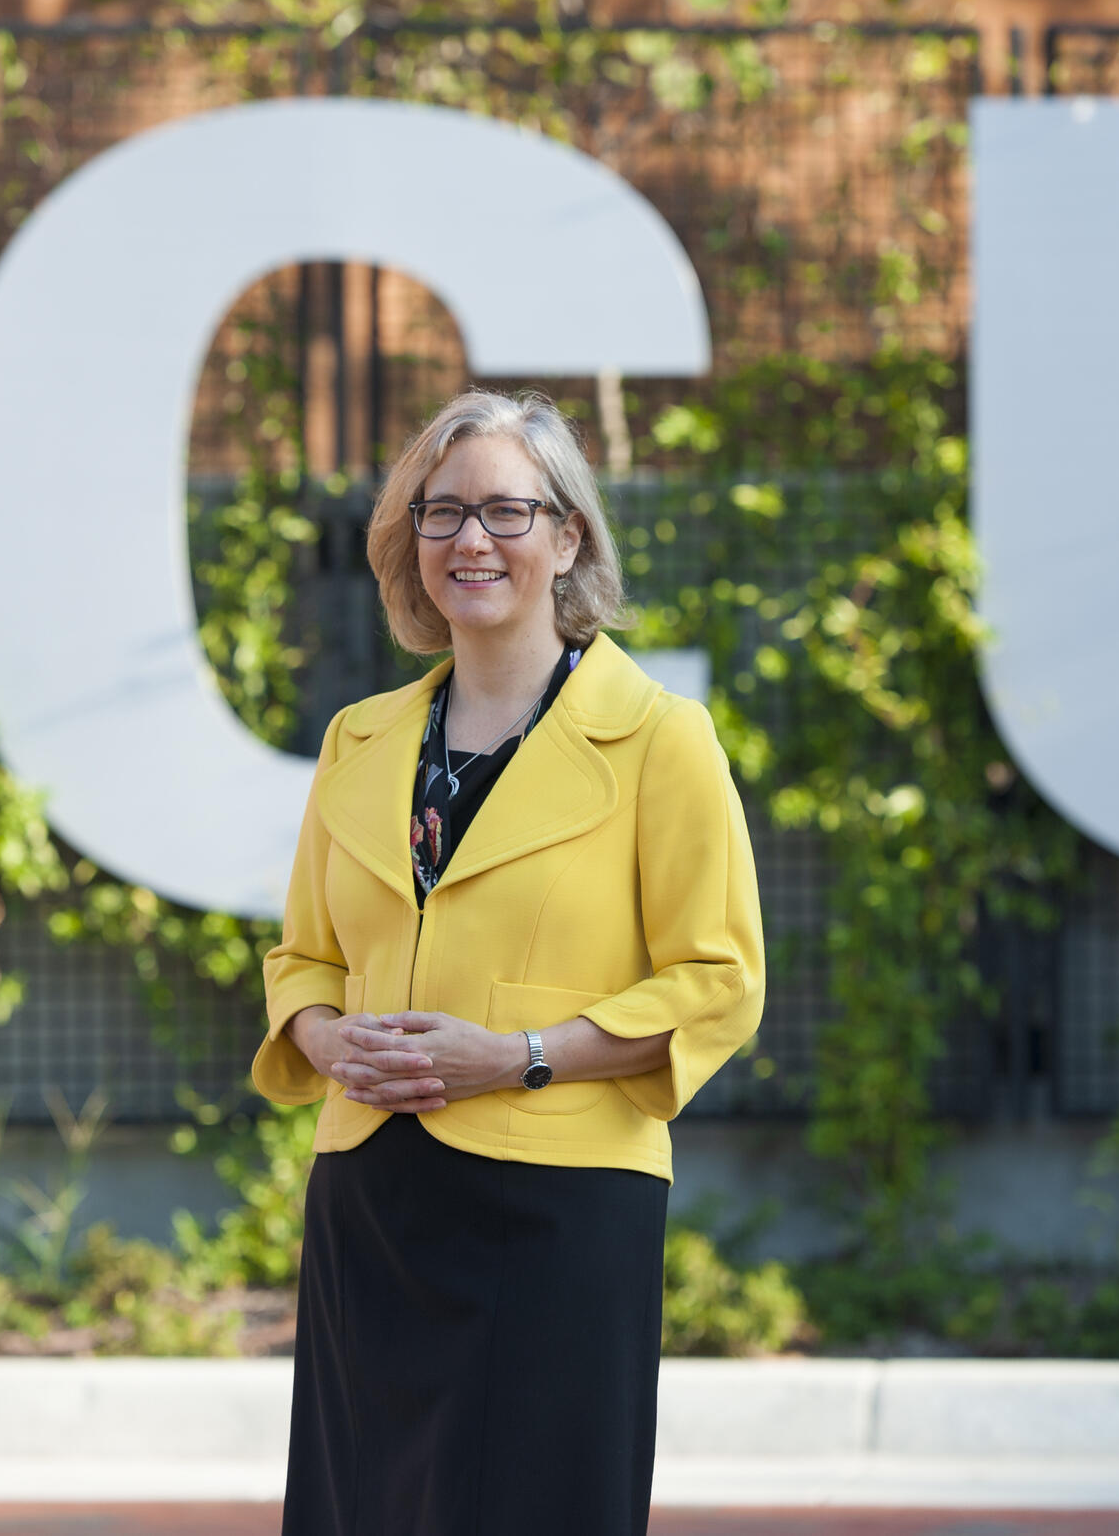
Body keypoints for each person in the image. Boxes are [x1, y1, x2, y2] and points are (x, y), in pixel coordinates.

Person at [251, 388, 767, 1536]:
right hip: (371, 1198)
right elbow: (303, 958)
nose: (469, 541)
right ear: (408, 540)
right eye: (440, 513)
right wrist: (326, 1036)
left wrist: (519, 1057)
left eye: (503, 511)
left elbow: (715, 979)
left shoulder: (660, 739)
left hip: (560, 1207)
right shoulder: (359, 740)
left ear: (567, 534)